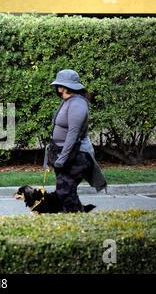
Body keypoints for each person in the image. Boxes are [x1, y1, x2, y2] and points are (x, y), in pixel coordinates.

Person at [47, 69, 107, 213]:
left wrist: (62, 158)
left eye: (59, 84)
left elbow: (73, 134)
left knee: (64, 191)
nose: (57, 88)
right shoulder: (67, 101)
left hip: (77, 155)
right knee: (66, 191)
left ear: (65, 86)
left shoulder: (78, 104)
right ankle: (74, 216)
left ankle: (75, 217)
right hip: (65, 153)